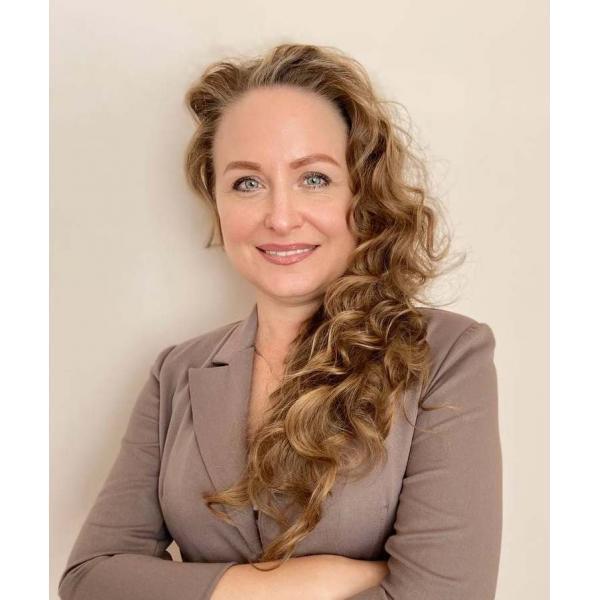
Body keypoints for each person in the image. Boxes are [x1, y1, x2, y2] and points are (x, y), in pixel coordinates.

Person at [58, 43, 502, 600]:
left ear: (361, 191)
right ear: (217, 203)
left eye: (313, 178)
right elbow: (89, 579)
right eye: (247, 183)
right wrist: (309, 581)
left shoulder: (446, 354)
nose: (281, 217)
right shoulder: (175, 372)